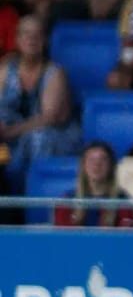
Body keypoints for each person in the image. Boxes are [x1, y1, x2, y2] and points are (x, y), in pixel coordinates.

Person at [0, 14, 79, 196]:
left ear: (45, 40)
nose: (31, 39)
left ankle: (31, 197)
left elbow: (49, 118)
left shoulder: (55, 72)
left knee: (38, 138)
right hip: (12, 135)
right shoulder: (5, 69)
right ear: (17, 39)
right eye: (26, 34)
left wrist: (10, 132)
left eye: (37, 34)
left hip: (53, 136)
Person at [54, 141, 133, 227]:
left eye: (103, 159)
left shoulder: (123, 201)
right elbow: (62, 234)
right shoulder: (67, 201)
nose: (97, 164)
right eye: (91, 160)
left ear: (111, 166)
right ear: (83, 166)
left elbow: (126, 233)